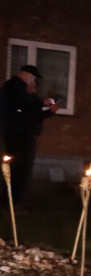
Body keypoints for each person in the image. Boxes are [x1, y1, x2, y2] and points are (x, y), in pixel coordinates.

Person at [0, 64, 60, 204]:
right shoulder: (14, 87)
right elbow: (22, 108)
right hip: (18, 136)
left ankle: (13, 201)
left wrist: (48, 111)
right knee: (18, 169)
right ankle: (11, 202)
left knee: (21, 170)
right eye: (32, 79)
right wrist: (41, 102)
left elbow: (30, 114)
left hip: (21, 135)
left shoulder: (21, 91)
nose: (32, 83)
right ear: (25, 74)